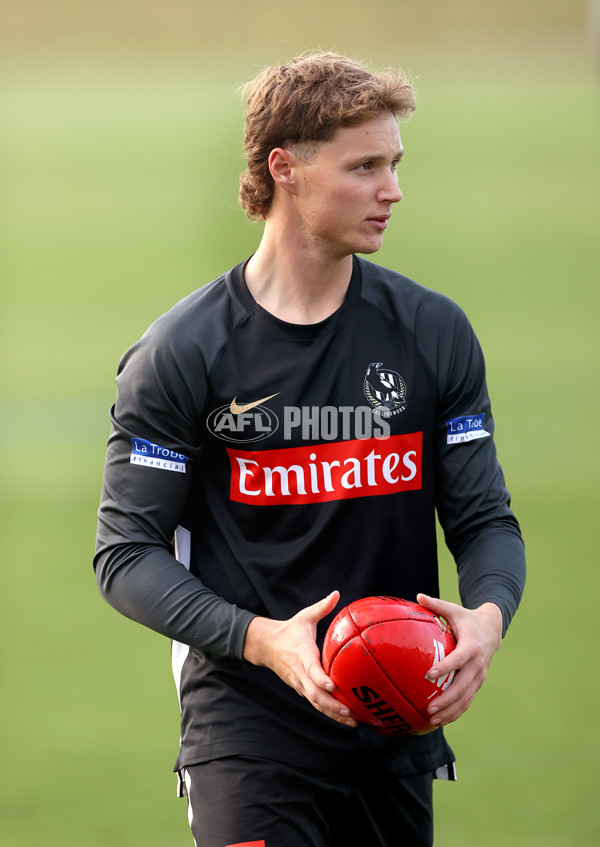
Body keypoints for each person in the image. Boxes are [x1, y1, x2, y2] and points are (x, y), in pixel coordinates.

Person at [94, 52, 526, 847]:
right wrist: (263, 639)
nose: (392, 190)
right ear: (284, 169)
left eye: (393, 164)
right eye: (364, 167)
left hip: (395, 717)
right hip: (247, 729)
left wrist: (490, 613)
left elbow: (485, 517)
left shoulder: (433, 333)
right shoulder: (184, 353)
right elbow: (125, 556)